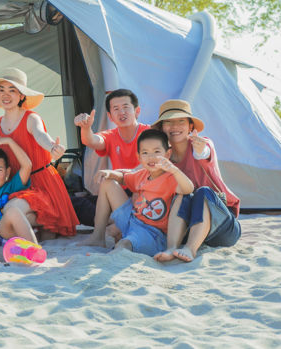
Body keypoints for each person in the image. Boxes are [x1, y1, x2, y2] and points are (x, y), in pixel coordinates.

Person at [0, 68, 79, 238]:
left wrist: (52, 147)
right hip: (15, 184)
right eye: (1, 90)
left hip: (41, 183)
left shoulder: (31, 118)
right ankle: (41, 228)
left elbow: (41, 135)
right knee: (8, 215)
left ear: (21, 95)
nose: (6, 95)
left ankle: (41, 231)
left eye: (12, 90)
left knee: (11, 210)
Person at [152, 100, 241, 263]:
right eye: (169, 122)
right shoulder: (164, 157)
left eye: (181, 121)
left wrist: (201, 150)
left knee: (202, 192)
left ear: (191, 127)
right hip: (187, 227)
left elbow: (205, 152)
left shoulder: (203, 144)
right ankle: (172, 247)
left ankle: (190, 249)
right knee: (183, 191)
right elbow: (139, 172)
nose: (175, 126)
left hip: (221, 226)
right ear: (162, 128)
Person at [81, 129, 194, 256]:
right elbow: (123, 178)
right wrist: (109, 173)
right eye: (145, 153)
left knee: (124, 244)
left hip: (151, 233)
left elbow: (188, 189)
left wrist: (174, 170)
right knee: (108, 182)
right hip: (131, 220)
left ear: (167, 154)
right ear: (139, 157)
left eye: (157, 152)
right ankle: (98, 236)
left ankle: (111, 257)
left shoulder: (171, 177)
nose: (151, 157)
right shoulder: (142, 174)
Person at [74, 89, 150, 170]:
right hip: (119, 181)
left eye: (125, 107)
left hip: (148, 181)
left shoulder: (150, 132)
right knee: (106, 182)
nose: (121, 112)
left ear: (137, 111)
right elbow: (90, 141)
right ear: (110, 116)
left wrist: (132, 173)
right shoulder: (110, 136)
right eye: (116, 109)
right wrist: (86, 128)